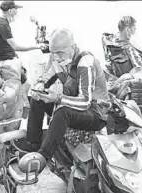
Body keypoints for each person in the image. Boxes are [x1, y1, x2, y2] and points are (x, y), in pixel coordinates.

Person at [26, 28, 110, 161]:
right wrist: (40, 85)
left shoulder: (85, 62)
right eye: (53, 53)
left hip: (95, 112)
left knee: (62, 112)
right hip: (76, 104)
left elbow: (85, 102)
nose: (56, 57)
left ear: (73, 47)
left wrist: (59, 98)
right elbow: (47, 75)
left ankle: (43, 157)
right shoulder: (56, 58)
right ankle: (32, 145)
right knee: (37, 98)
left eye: (60, 53)